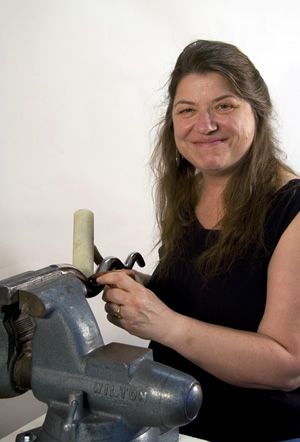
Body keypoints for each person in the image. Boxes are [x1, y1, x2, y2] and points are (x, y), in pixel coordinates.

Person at [96, 40, 300, 442]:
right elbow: (221, 297)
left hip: (262, 434)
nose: (204, 125)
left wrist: (164, 323)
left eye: (224, 106)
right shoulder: (190, 190)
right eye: (187, 110)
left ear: (257, 111)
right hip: (176, 423)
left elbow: (287, 364)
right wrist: (148, 292)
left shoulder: (293, 211)